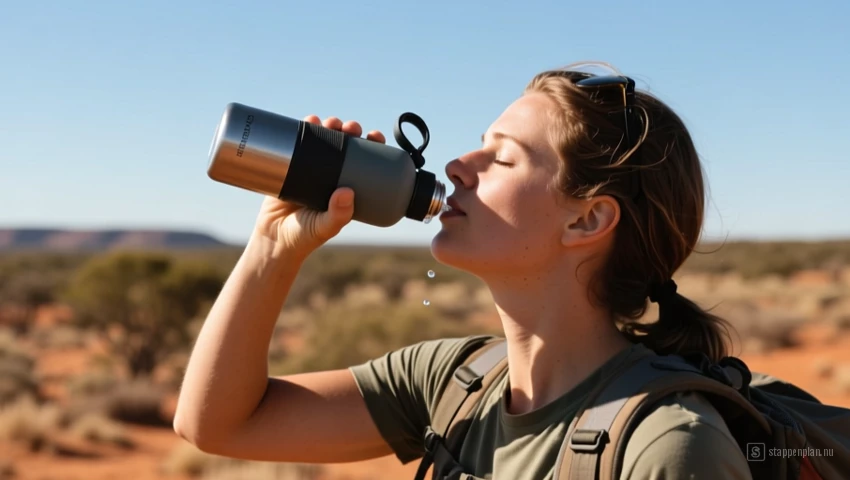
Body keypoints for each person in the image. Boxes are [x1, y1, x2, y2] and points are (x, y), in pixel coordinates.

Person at [173, 61, 753, 479]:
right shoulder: (452, 382)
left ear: (587, 220)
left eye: (502, 157)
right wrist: (274, 247)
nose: (456, 165)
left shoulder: (668, 450)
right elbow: (219, 424)